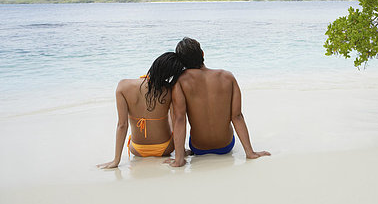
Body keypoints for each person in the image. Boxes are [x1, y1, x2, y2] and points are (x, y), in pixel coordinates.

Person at [166, 37, 270, 167]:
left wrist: (179, 159)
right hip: (226, 146)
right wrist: (250, 153)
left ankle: (182, 154)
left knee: (175, 112)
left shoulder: (180, 81)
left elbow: (180, 119)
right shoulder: (227, 77)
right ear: (202, 54)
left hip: (199, 148)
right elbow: (237, 116)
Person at [97, 52, 185, 169]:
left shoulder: (123, 86)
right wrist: (181, 152)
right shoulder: (170, 90)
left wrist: (116, 160)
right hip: (165, 148)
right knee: (170, 115)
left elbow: (122, 125)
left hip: (137, 149)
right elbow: (177, 121)